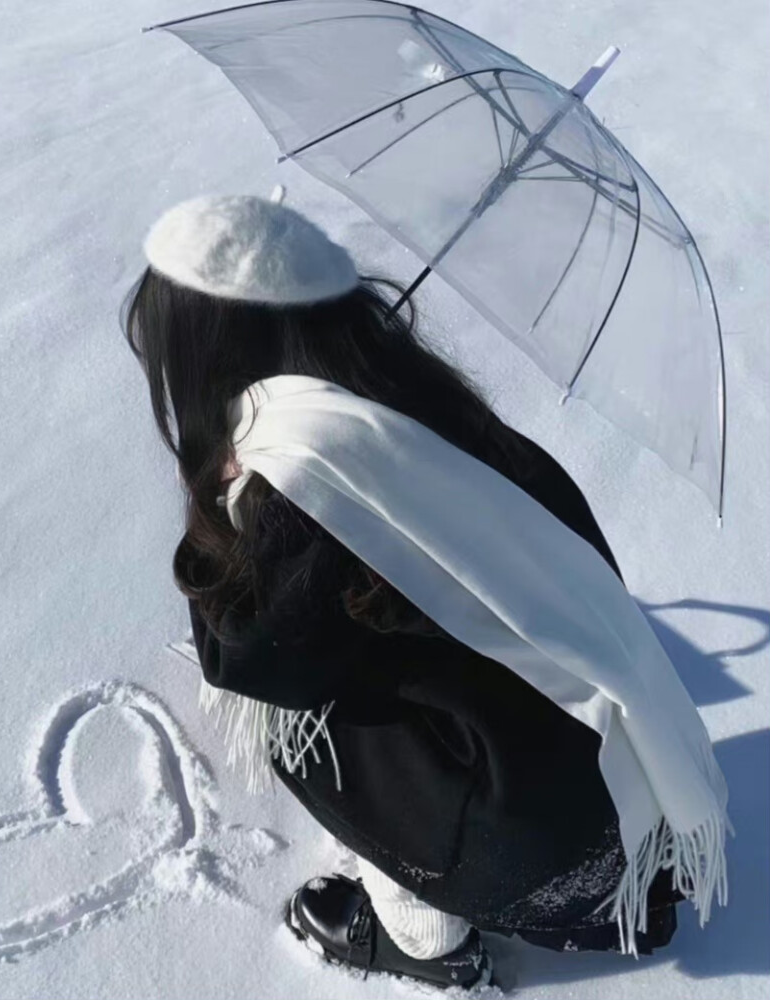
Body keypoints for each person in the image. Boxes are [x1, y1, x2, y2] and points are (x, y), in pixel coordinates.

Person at [119, 192, 687, 990]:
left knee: (296, 713)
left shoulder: (313, 472)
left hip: (545, 844)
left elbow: (243, 656)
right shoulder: (411, 404)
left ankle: (424, 940)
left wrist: (220, 501)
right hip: (619, 788)